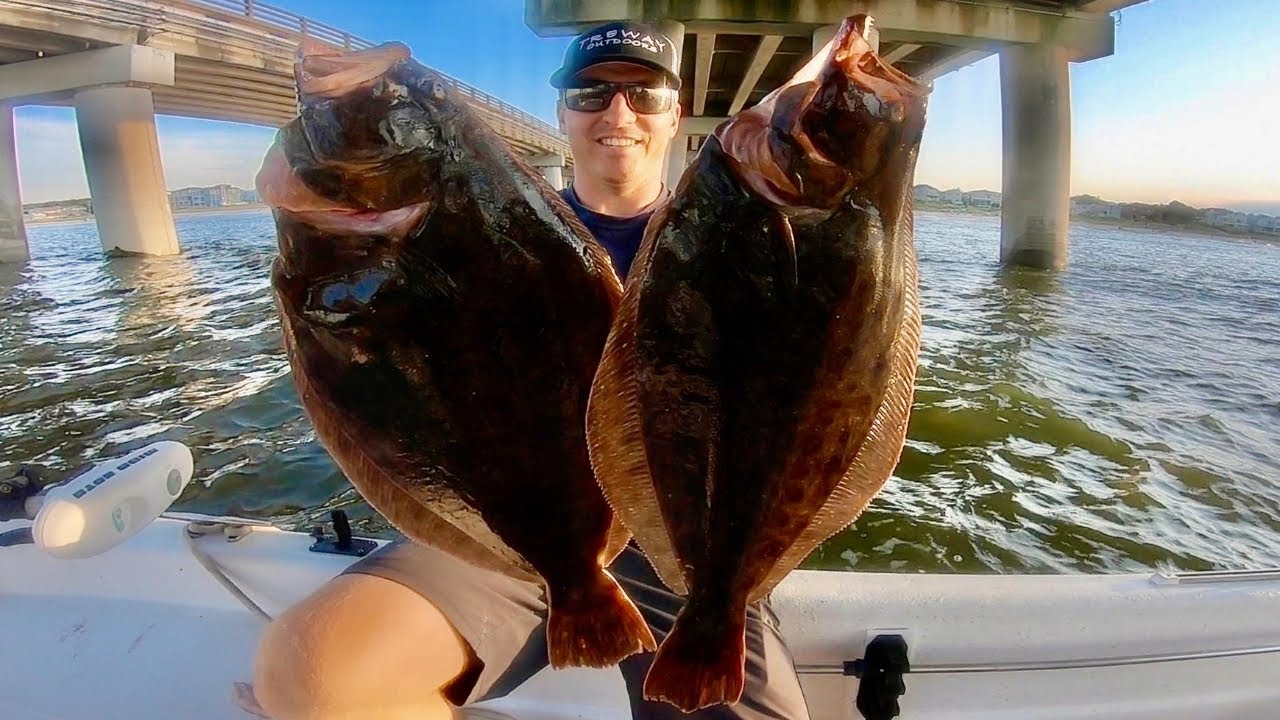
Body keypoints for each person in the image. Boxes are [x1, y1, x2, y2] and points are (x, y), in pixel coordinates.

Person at [251, 21, 811, 720]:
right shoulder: (477, 220)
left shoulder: (750, 241)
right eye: (590, 93)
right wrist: (300, 223)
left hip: (691, 548)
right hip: (501, 535)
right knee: (312, 678)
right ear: (561, 115)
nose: (617, 113)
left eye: (643, 94)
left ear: (676, 113)